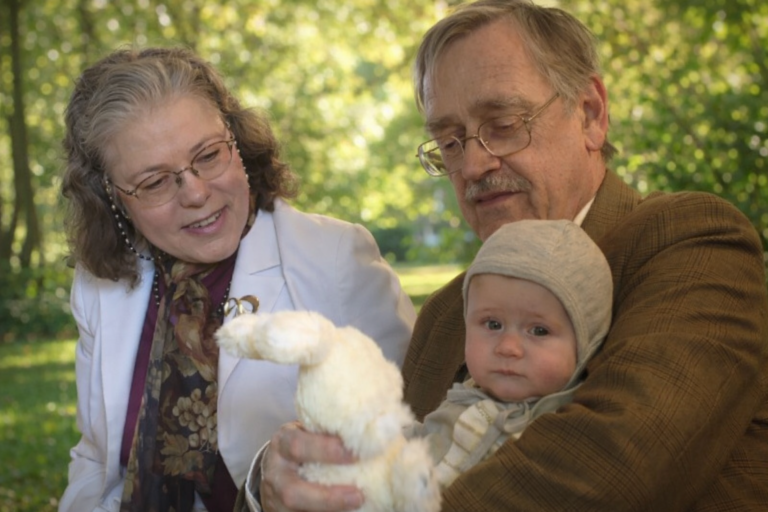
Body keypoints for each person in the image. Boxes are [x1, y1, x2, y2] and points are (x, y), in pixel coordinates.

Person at [249, 0, 768, 511]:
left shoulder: (691, 241)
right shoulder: (447, 316)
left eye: (502, 123)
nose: (473, 163)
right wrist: (278, 483)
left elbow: (618, 462)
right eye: (449, 142)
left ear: (590, 114)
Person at [57, 46, 416, 512]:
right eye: (155, 182)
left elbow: (411, 440)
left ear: (238, 144)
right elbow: (95, 458)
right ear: (111, 198)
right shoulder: (98, 287)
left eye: (208, 155)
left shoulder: (333, 258)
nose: (197, 192)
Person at [408, 219, 612, 491]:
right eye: (493, 324)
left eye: (539, 330)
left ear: (585, 343)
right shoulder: (464, 399)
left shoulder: (563, 433)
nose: (508, 347)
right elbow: (421, 443)